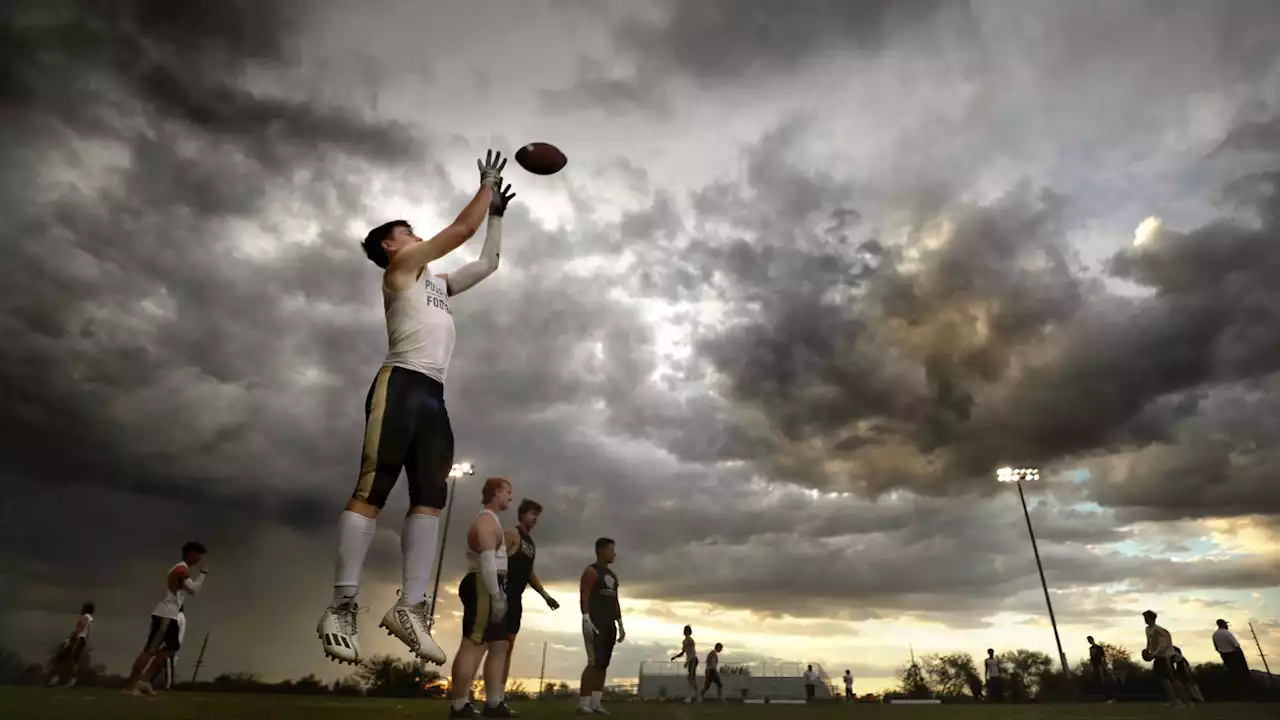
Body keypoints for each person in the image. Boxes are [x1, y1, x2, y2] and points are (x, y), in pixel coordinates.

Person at [317, 150, 515, 667]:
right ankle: (340, 606)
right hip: (400, 384)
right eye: (408, 231)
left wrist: (495, 217)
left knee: (430, 498)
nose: (415, 236)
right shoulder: (402, 268)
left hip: (434, 395)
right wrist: (487, 187)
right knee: (373, 488)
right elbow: (457, 230)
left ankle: (411, 607)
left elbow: (487, 262)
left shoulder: (436, 284)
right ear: (391, 245)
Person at [448, 477, 517, 719]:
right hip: (483, 584)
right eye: (508, 491)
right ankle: (459, 705)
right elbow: (487, 564)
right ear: (496, 493)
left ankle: (494, 703)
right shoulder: (486, 521)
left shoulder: (494, 521)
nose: (511, 496)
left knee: (500, 645)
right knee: (473, 644)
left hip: (493, 583)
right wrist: (497, 597)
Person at [122, 542, 208, 697]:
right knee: (149, 651)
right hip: (164, 615)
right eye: (198, 554)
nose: (200, 558)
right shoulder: (180, 569)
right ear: (190, 554)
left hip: (171, 615)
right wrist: (203, 574)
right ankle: (129, 686)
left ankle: (145, 681)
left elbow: (186, 590)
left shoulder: (183, 569)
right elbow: (194, 589)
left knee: (172, 648)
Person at [500, 499, 559, 692]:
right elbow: (492, 559)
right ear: (522, 515)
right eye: (532, 514)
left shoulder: (530, 544)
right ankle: (466, 698)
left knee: (507, 649)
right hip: (501, 595)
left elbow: (528, 572)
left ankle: (498, 697)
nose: (535, 518)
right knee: (491, 647)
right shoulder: (511, 534)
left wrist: (545, 595)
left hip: (516, 598)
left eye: (537, 515)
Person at [578, 537, 624, 715]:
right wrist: (586, 617)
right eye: (611, 550)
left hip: (609, 623)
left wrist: (620, 623)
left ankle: (596, 703)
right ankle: (583, 703)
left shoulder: (612, 576)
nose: (614, 553)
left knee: (603, 664)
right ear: (601, 550)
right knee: (593, 662)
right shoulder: (591, 571)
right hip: (595, 621)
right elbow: (584, 594)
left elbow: (615, 601)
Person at [1141, 610, 1190, 707]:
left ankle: (1186, 701)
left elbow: (1163, 645)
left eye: (1146, 618)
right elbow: (1150, 643)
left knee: (1172, 679)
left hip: (1167, 656)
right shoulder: (1148, 629)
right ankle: (1174, 700)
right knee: (1163, 679)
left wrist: (1153, 654)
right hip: (1158, 656)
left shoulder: (1160, 630)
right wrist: (1148, 651)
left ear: (1151, 618)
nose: (1145, 620)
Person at [48, 602, 94, 688]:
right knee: (63, 658)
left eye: (84, 608)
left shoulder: (86, 617)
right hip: (77, 639)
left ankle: (70, 681)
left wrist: (72, 638)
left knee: (72, 660)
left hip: (78, 640)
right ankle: (59, 679)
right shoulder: (87, 618)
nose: (82, 609)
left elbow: (82, 629)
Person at [1213, 619, 1253, 700]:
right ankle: (1246, 695)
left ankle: (1235, 695)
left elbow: (1216, 648)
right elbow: (1236, 646)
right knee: (1242, 675)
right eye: (1226, 624)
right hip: (1234, 655)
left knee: (1232, 674)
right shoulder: (1227, 633)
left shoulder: (1215, 635)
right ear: (1223, 624)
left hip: (1224, 656)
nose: (1227, 625)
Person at [149, 607, 185, 690]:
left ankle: (168, 685)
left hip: (169, 644)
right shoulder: (179, 617)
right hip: (171, 643)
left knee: (165, 664)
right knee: (162, 664)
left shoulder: (177, 617)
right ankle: (152, 682)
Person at [671, 625, 699, 703]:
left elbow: (692, 652)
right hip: (690, 660)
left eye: (686, 630)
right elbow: (684, 652)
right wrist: (675, 657)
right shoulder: (685, 641)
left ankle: (689, 697)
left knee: (690, 678)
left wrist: (689, 662)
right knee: (692, 679)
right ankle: (698, 697)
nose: (684, 631)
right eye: (684, 630)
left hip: (693, 660)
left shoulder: (690, 640)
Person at [1086, 636, 1113, 702]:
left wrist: (1103, 665)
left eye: (1090, 640)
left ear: (1092, 640)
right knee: (1097, 680)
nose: (1089, 642)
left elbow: (1103, 657)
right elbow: (1091, 658)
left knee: (1103, 680)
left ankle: (1108, 696)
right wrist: (1092, 666)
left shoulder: (1099, 648)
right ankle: (1101, 697)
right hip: (1095, 666)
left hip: (1100, 666)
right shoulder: (1090, 649)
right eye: (1088, 641)